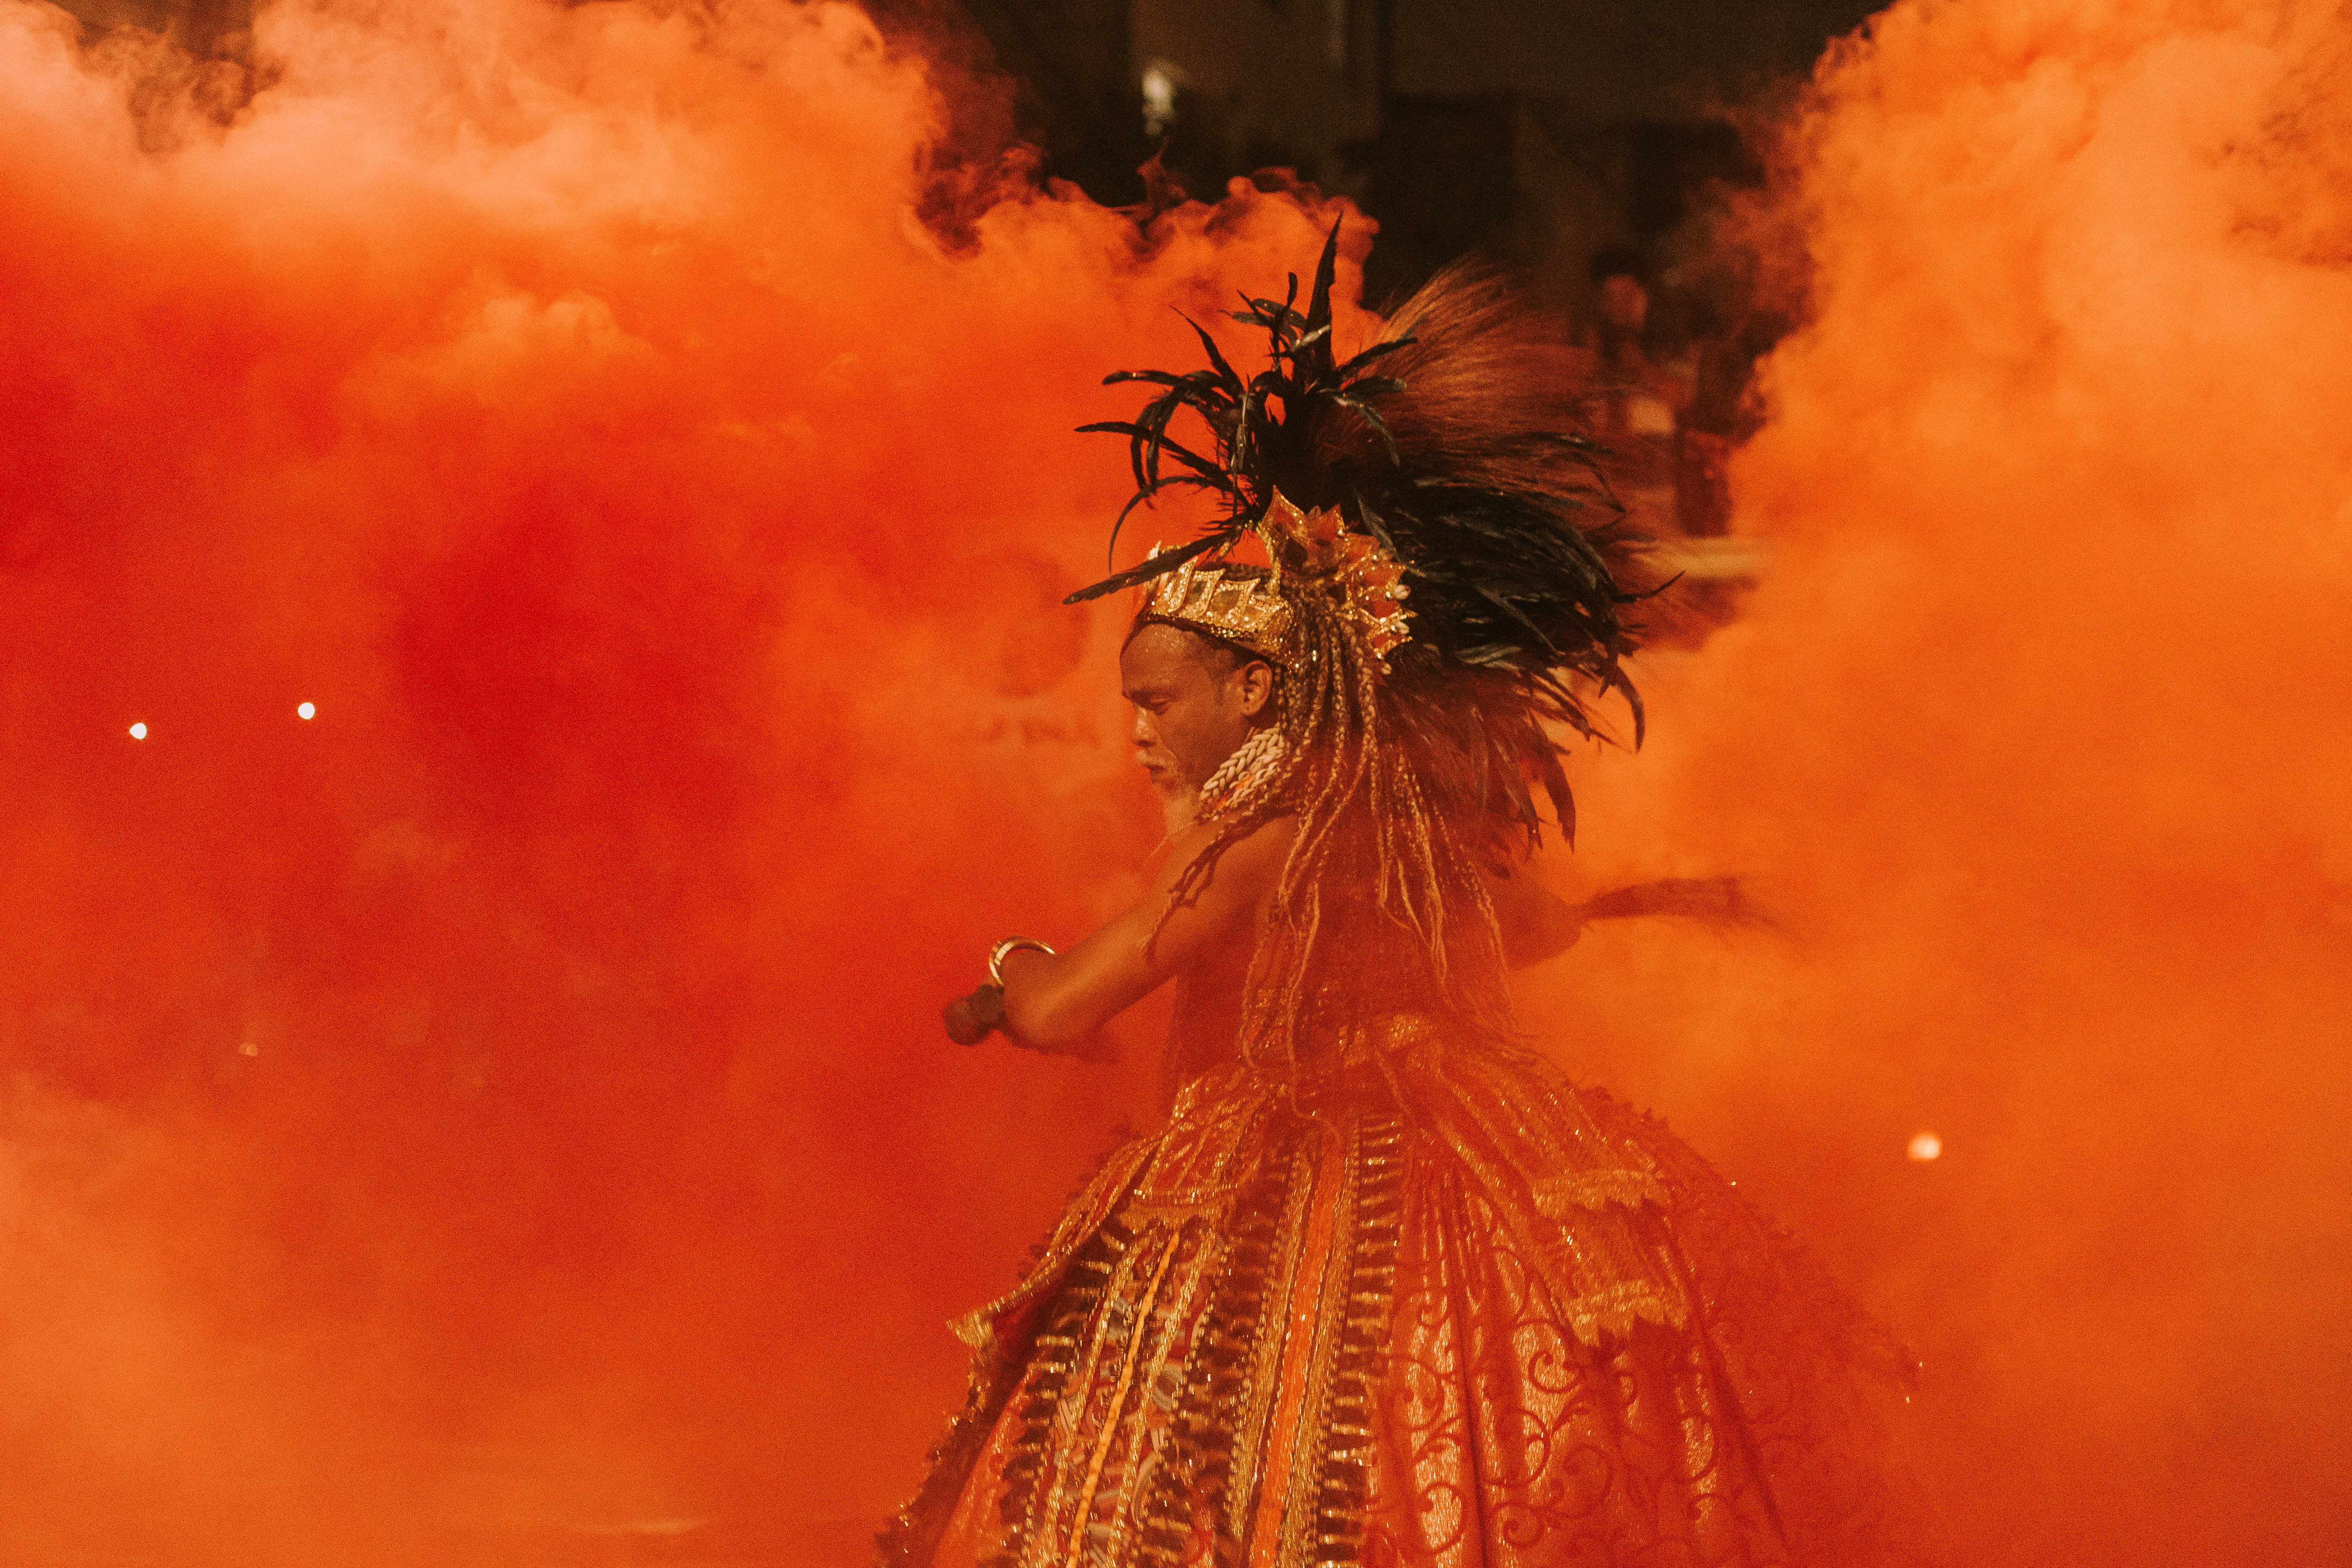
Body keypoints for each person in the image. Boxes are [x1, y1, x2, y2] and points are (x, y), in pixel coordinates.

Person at [882, 230, 1916, 1568]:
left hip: (1315, 1172)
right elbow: (1532, 928)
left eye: (1155, 701)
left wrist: (1014, 981)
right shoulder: (1390, 804)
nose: (1134, 730)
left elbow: (1081, 991)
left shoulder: (1260, 835)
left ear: (1255, 690)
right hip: (1479, 1159)